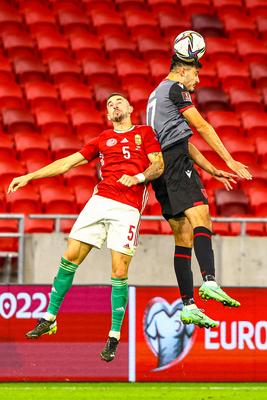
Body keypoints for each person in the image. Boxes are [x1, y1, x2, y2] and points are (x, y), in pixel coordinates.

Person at [8, 93, 164, 362]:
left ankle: (113, 336)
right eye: (109, 104)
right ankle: (49, 317)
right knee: (69, 258)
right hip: (99, 201)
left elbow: (158, 165)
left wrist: (137, 177)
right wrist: (29, 176)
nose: (113, 105)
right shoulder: (103, 139)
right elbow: (67, 163)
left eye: (118, 102)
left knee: (118, 270)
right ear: (107, 115)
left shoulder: (145, 133)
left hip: (128, 208)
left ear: (130, 108)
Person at [146, 54, 252, 328]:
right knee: (202, 216)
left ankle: (188, 304)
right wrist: (229, 159)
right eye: (195, 74)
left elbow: (181, 142)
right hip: (175, 164)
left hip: (161, 166)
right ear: (182, 71)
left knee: (182, 236)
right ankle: (210, 280)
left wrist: (213, 168)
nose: (198, 80)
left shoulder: (156, 95)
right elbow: (201, 125)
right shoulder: (175, 88)